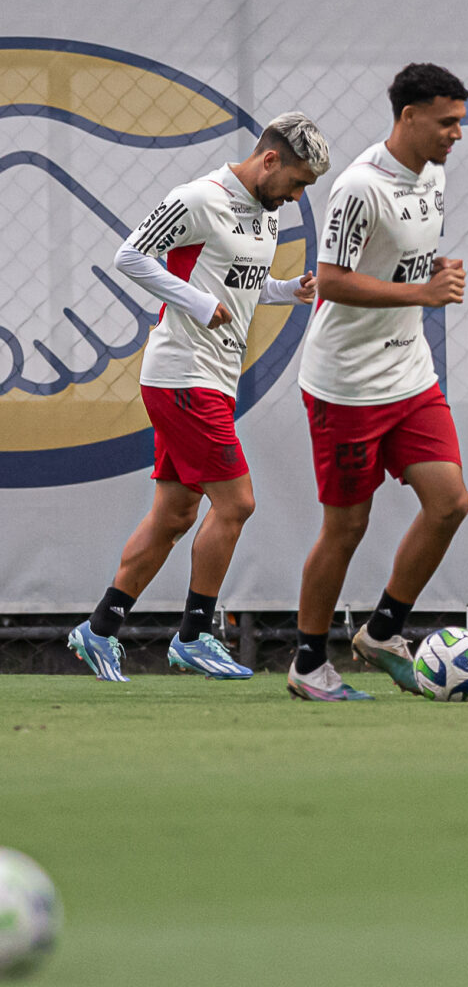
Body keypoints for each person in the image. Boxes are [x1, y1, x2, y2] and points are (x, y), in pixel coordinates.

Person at [66, 115, 329, 682]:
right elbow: (130, 256)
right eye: (298, 181)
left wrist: (290, 289)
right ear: (270, 161)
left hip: (210, 378)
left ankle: (100, 628)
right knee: (236, 504)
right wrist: (194, 302)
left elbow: (241, 281)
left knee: (175, 512)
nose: (298, 195)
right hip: (183, 376)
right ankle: (194, 635)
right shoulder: (198, 198)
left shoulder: (263, 213)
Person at [286, 64, 468, 701]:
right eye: (447, 122)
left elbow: (396, 262)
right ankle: (308, 663)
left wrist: (425, 273)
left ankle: (383, 629)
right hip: (346, 385)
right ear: (409, 116)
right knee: (346, 527)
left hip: (409, 372)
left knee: (450, 504)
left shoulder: (436, 175)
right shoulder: (360, 186)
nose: (456, 134)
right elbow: (333, 279)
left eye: (459, 122)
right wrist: (419, 290)